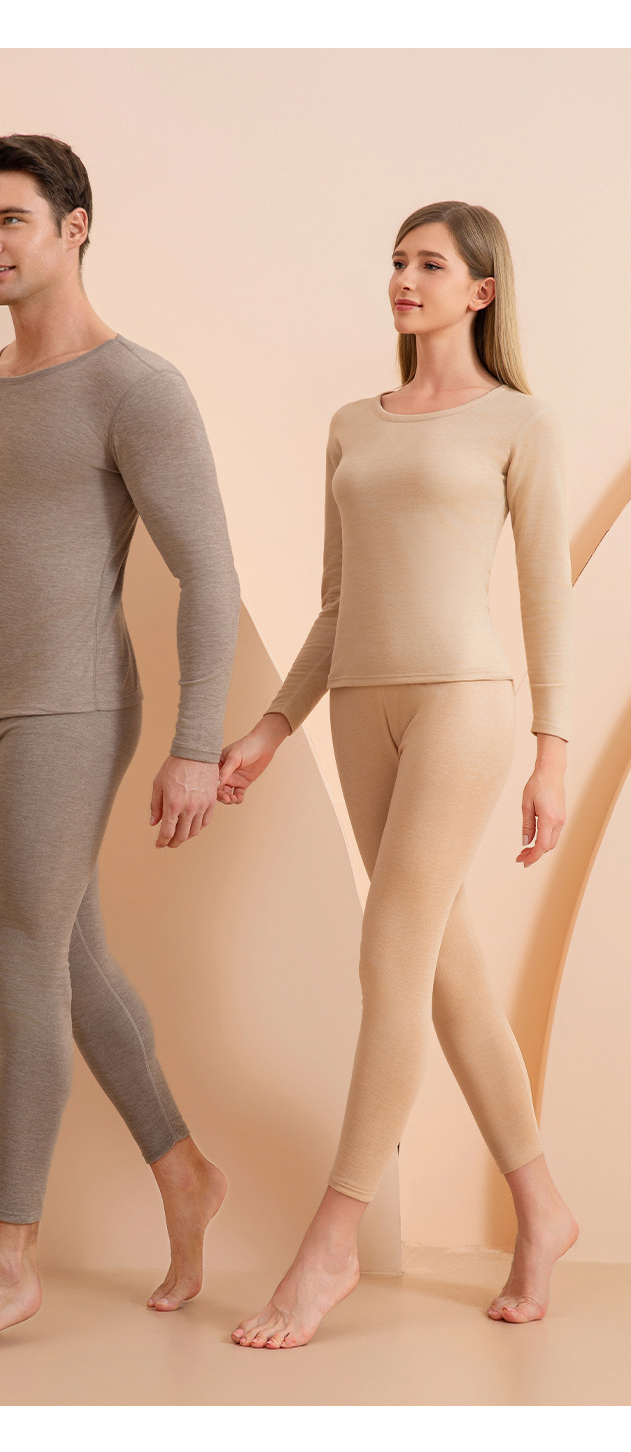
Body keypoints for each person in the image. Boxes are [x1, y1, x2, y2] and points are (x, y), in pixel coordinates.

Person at [0, 133, 240, 1362]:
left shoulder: (137, 388)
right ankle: (184, 1170)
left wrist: (194, 743)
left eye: (11, 219)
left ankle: (3, 1263)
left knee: (16, 949)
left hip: (75, 708)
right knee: (69, 956)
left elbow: (207, 573)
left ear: (76, 227)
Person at [218, 201, 579, 1350]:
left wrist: (551, 750)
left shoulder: (519, 422)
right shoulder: (351, 426)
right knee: (445, 971)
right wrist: (273, 726)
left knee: (387, 954)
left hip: (463, 704)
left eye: (428, 264)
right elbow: (336, 605)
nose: (403, 279)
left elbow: (544, 594)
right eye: (396, 261)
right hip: (357, 709)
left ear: (480, 290)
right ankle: (542, 1208)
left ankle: (333, 1238)